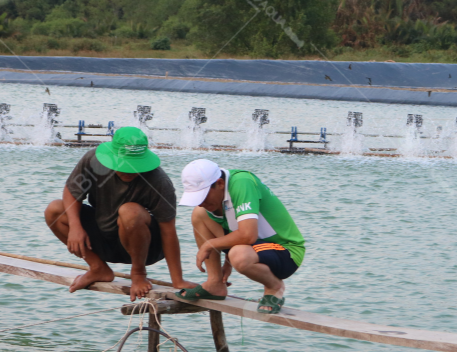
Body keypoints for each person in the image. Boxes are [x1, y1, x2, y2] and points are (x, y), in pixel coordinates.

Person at [44, 126, 194, 301]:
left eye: (134, 166)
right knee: (54, 210)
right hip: (104, 238)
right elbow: (72, 191)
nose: (129, 171)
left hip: (143, 246)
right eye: (123, 165)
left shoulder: (159, 181)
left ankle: (138, 273)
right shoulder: (94, 161)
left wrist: (178, 280)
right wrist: (76, 226)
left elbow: (168, 231)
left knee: (129, 211)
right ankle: (97, 267)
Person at [174, 159, 305, 314]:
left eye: (203, 196)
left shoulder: (243, 183)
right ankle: (215, 283)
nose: (201, 202)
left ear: (220, 184)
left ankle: (274, 286)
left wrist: (209, 245)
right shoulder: (221, 190)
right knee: (199, 214)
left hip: (285, 251)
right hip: (254, 247)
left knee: (239, 255)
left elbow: (247, 236)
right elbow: (236, 228)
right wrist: (227, 262)